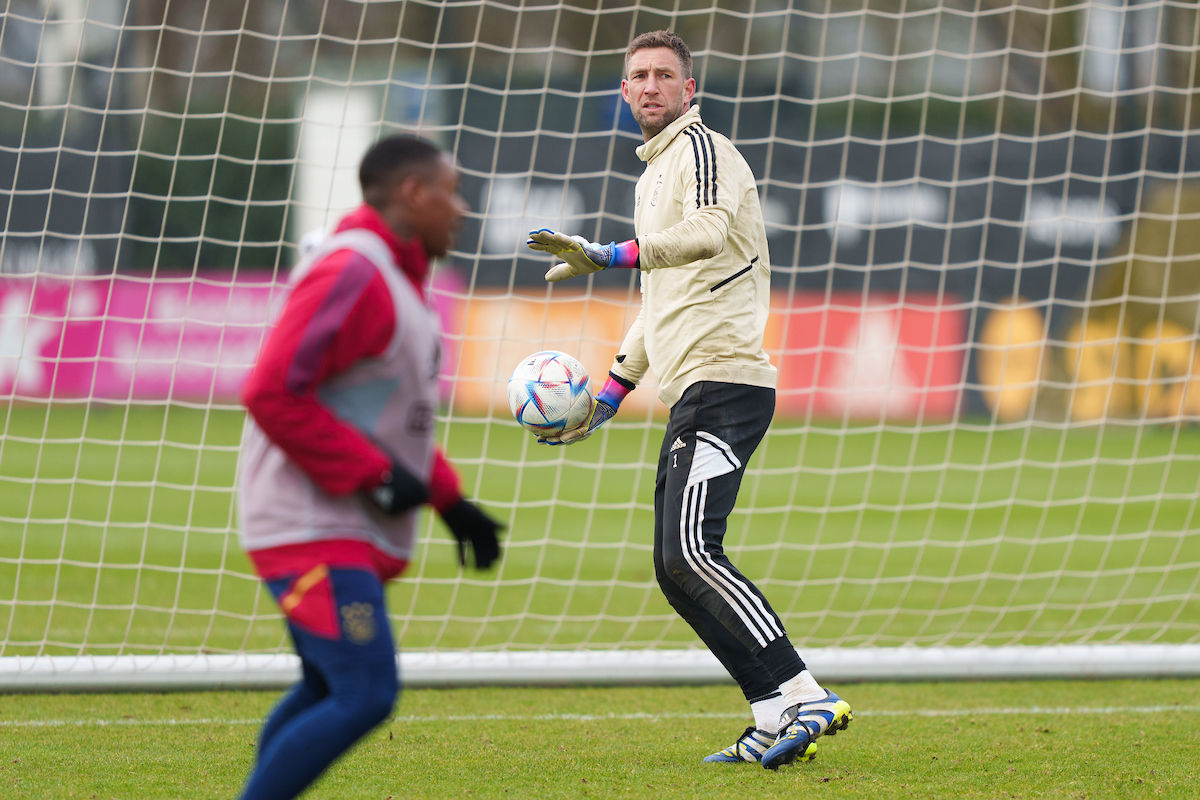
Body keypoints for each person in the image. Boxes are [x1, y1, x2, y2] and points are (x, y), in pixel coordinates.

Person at [526, 30, 851, 770]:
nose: (650, 86)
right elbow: (658, 303)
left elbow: (705, 234)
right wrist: (608, 398)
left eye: (663, 75)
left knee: (691, 552)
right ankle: (770, 711)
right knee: (674, 568)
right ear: (623, 92)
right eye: (638, 76)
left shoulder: (702, 150)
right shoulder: (651, 177)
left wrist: (609, 253)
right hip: (693, 387)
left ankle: (805, 694)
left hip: (726, 380)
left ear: (688, 89)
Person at [236, 135, 502, 800]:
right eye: (451, 192)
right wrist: (375, 476)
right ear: (413, 194)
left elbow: (387, 423)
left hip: (338, 527)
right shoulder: (354, 270)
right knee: (365, 691)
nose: (462, 209)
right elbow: (271, 392)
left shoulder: (401, 282)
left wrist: (449, 502)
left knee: (327, 686)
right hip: (310, 525)